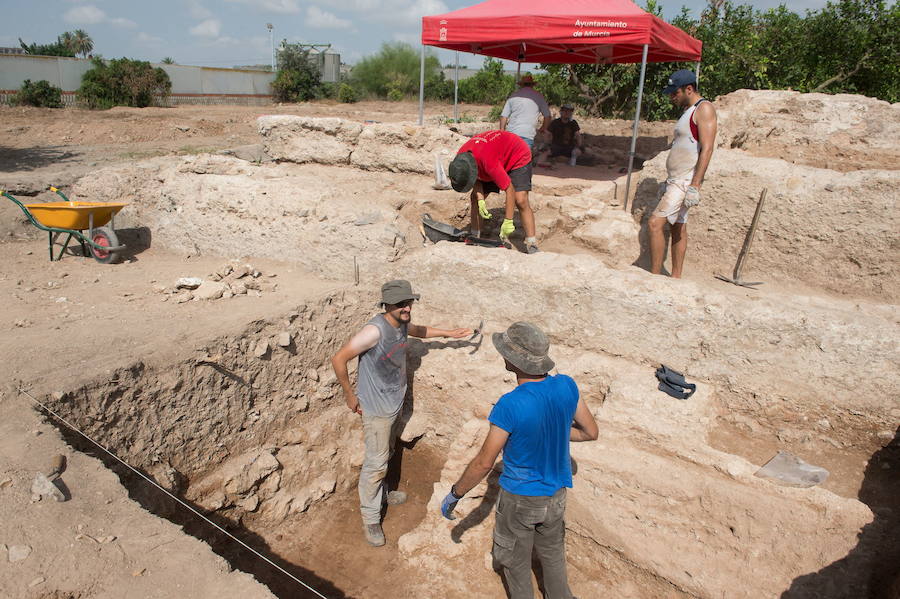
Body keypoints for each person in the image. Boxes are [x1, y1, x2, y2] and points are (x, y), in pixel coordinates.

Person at [439, 322, 599, 599]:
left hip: (520, 499)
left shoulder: (510, 404)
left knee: (514, 562)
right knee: (553, 555)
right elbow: (589, 432)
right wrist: (553, 429)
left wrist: (456, 493)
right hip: (557, 496)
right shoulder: (567, 385)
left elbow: (483, 463)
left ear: (514, 360)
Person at [331, 280, 471, 547]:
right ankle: (371, 517)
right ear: (387, 305)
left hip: (393, 403)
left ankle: (383, 493)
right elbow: (339, 358)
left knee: (388, 452)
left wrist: (449, 334)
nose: (407, 308)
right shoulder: (374, 331)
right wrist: (350, 394)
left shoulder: (402, 323)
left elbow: (419, 330)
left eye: (409, 303)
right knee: (376, 463)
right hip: (376, 409)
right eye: (401, 304)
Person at [649, 69, 717, 278]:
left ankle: (654, 277)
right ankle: (676, 277)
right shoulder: (688, 111)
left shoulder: (703, 109)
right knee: (678, 227)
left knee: (655, 223)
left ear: (689, 89)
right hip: (676, 179)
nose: (672, 96)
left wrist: (695, 185)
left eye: (675, 92)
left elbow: (707, 148)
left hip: (684, 181)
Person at [448, 130, 540, 254]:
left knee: (520, 200)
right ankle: (475, 237)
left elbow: (510, 189)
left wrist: (508, 220)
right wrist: (480, 199)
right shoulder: (461, 160)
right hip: (494, 156)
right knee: (474, 198)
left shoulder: (489, 162)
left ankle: (531, 243)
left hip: (517, 154)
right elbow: (474, 179)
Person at [500, 74, 551, 149]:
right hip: (528, 134)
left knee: (511, 155)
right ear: (532, 85)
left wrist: (502, 132)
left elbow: (504, 116)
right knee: (524, 155)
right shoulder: (539, 96)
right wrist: (542, 129)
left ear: (521, 85)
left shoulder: (514, 95)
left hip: (512, 133)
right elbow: (547, 116)